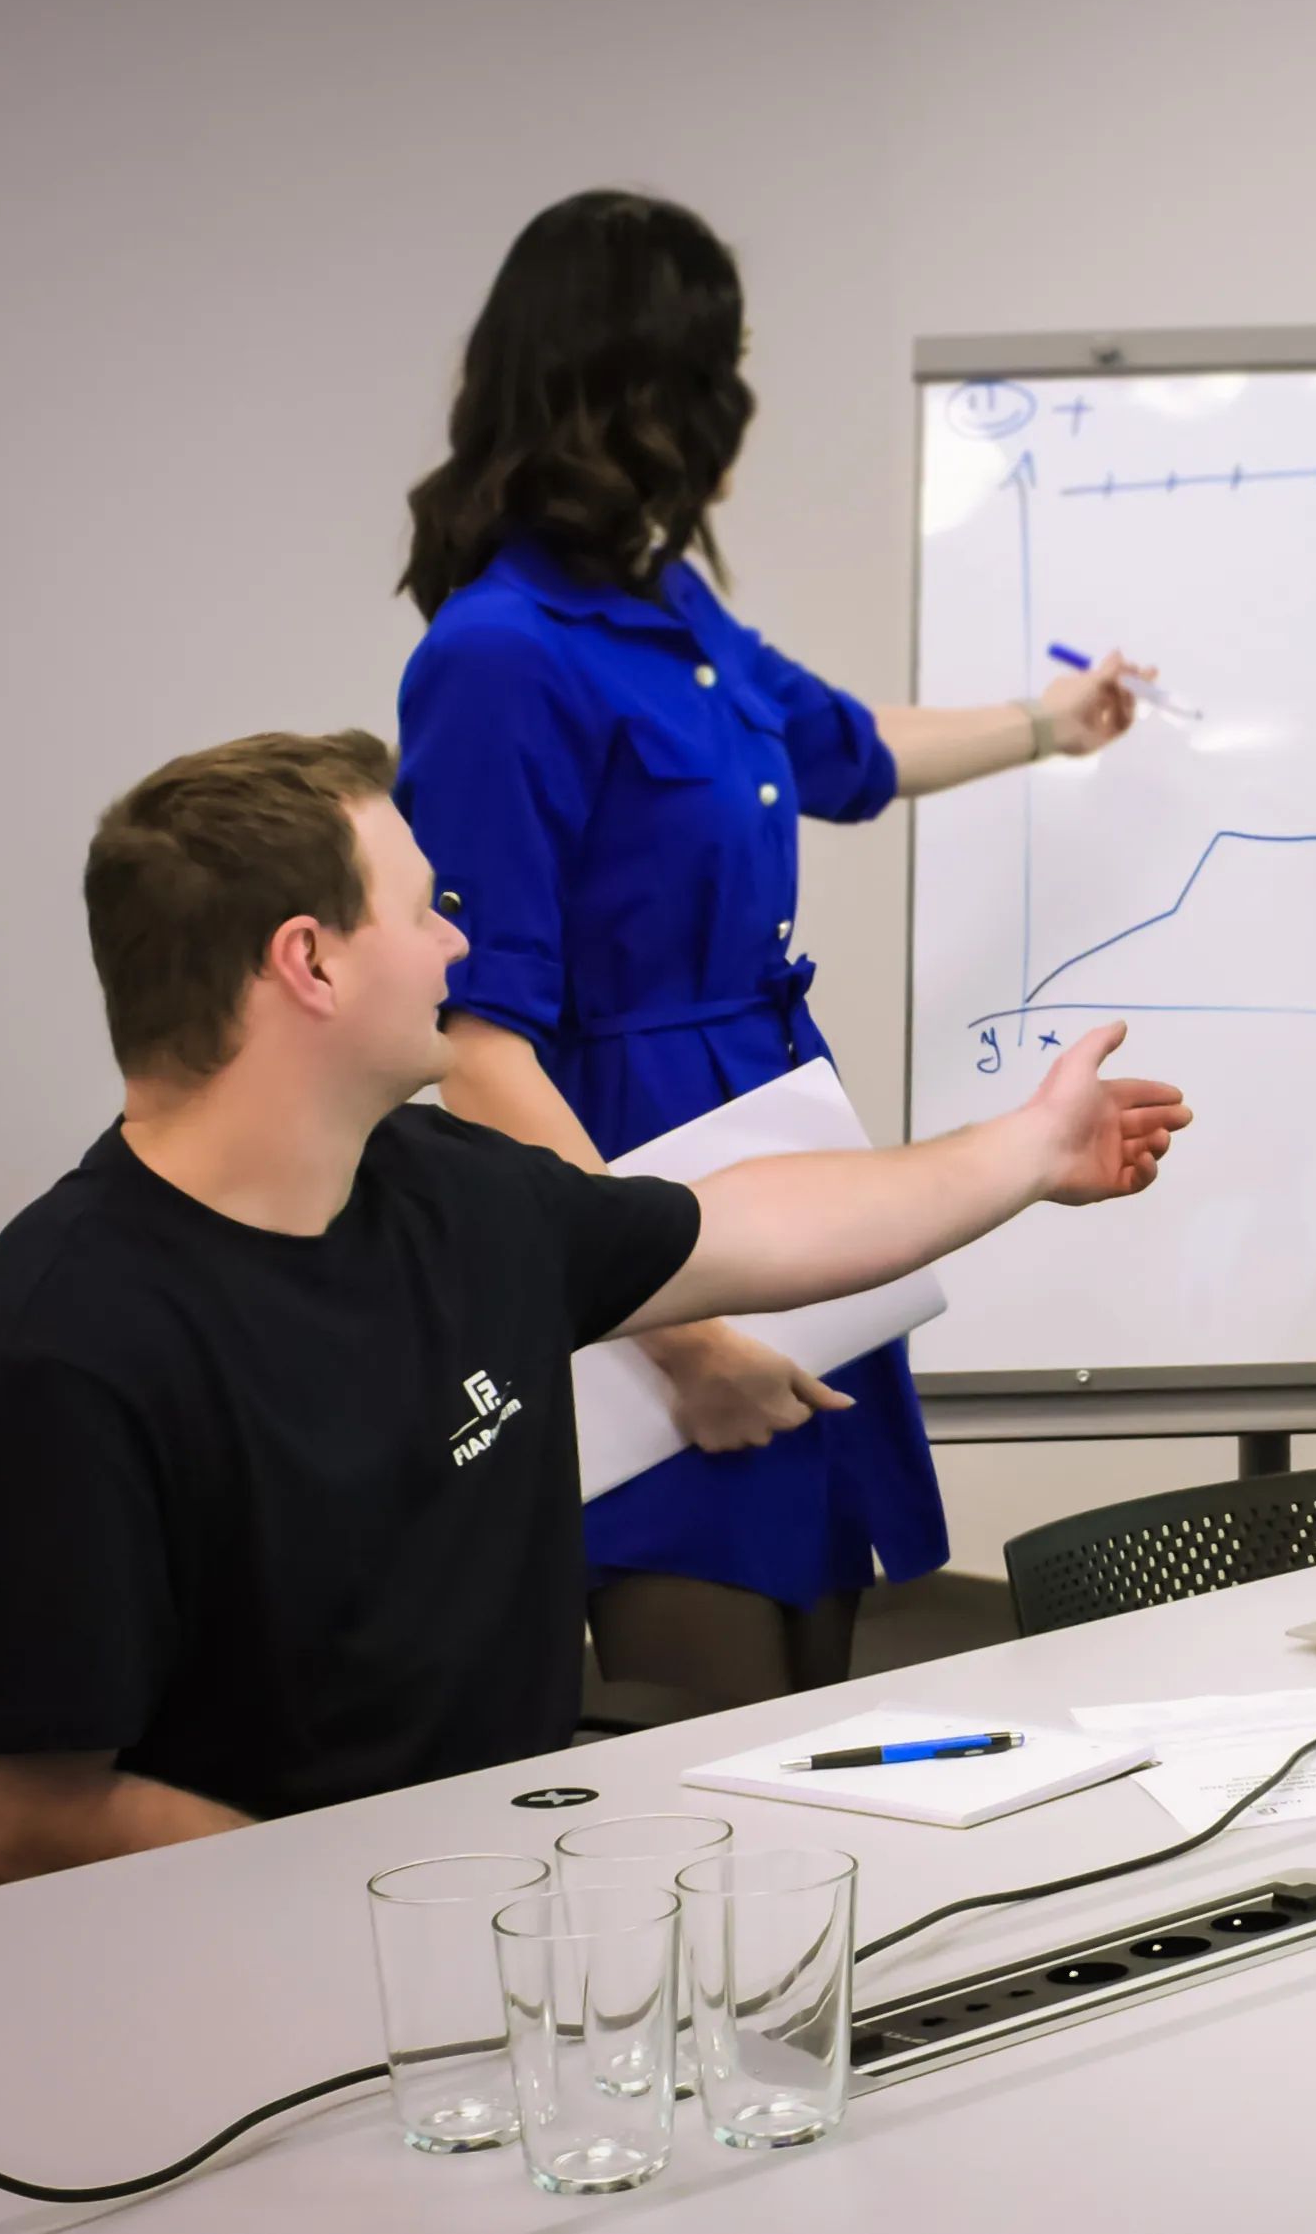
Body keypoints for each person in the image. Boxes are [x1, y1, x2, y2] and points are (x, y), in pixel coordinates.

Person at [0, 734, 1183, 1885]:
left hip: (532, 1899)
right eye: (424, 909)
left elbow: (756, 1223)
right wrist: (367, 1913)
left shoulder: (450, 1187)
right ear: (307, 961)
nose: (456, 947)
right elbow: (21, 1812)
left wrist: (1029, 1149)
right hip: (277, 1970)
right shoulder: (63, 1351)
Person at [391, 190, 1157, 1709]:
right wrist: (682, 1334)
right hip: (637, 1231)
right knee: (707, 1743)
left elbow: (849, 749)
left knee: (828, 1707)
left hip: (779, 1191)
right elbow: (475, 1050)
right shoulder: (493, 655)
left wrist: (1051, 726)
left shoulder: (664, 608)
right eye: (717, 365)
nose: (740, 404)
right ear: (638, 388)